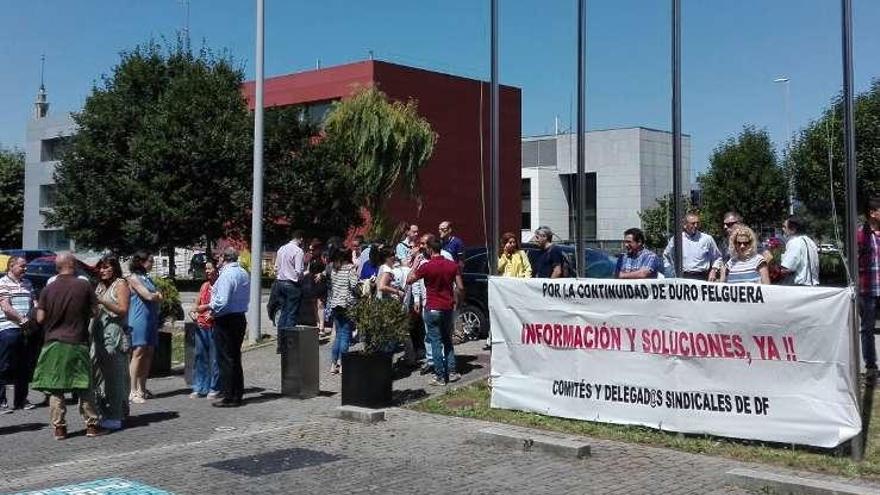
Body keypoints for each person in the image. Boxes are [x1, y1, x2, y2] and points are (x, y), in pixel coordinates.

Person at [31, 253, 104, 440]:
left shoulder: (48, 289)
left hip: (53, 343)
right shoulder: (84, 285)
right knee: (84, 385)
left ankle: (59, 429)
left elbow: (40, 318)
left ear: (58, 267)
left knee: (56, 388)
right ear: (72, 264)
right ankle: (92, 426)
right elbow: (96, 312)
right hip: (77, 342)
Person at [407, 237, 464, 386]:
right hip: (447, 308)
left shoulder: (427, 266)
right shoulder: (452, 266)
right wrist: (457, 301)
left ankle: (439, 376)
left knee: (435, 343)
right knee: (448, 341)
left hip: (432, 307)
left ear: (430, 250)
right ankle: (451, 373)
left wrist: (414, 264)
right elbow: (460, 287)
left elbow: (409, 280)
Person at [91, 255, 131, 431]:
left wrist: (103, 302)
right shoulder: (100, 286)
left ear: (114, 268)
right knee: (99, 378)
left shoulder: (120, 284)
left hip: (114, 335)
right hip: (99, 334)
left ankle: (116, 415)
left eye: (106, 267)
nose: (103, 271)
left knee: (114, 377)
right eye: (101, 268)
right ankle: (104, 411)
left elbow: (123, 310)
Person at [210, 247, 250, 408]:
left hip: (226, 319)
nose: (217, 261)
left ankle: (229, 395)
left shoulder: (227, 274)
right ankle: (236, 392)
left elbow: (222, 301)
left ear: (224, 258)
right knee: (234, 357)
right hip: (239, 317)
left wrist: (210, 308)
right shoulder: (243, 273)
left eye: (219, 258)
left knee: (225, 358)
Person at [0, 256, 39, 413]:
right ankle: (1, 401)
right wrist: (22, 319)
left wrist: (34, 317)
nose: (25, 269)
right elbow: (6, 307)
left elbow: (34, 303)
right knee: (4, 366)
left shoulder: (28, 283)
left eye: (26, 266)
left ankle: (21, 400)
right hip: (8, 328)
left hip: (26, 329)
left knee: (23, 367)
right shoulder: (3, 283)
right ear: (11, 266)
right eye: (22, 266)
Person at [126, 250, 162, 404]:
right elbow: (148, 295)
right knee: (138, 352)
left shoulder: (147, 278)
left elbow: (156, 295)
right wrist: (156, 296)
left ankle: (142, 387)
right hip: (139, 318)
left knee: (149, 351)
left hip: (151, 318)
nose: (152, 264)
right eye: (150, 261)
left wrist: (156, 296)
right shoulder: (133, 278)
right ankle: (132, 390)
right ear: (141, 262)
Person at [189, 260, 220, 398]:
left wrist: (211, 313)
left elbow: (222, 304)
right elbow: (196, 305)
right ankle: (199, 387)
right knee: (200, 356)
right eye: (205, 269)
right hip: (201, 326)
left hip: (214, 326)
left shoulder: (220, 285)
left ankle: (214, 387)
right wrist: (193, 313)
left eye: (209, 268)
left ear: (216, 269)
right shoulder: (204, 286)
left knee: (214, 358)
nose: (207, 271)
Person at [327, 249, 359, 374]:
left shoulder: (334, 268)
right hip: (347, 304)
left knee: (338, 335)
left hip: (335, 304)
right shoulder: (350, 269)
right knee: (346, 335)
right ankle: (342, 364)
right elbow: (354, 285)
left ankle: (333, 364)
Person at [663, 213, 722, 281]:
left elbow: (717, 257)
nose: (696, 226)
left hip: (702, 277)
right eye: (693, 223)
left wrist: (713, 271)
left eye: (697, 223)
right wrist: (670, 272)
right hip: (683, 277)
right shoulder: (676, 239)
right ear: (685, 225)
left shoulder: (707, 239)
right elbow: (666, 256)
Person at [858, 197, 880, 374]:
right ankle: (871, 366)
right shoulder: (860, 234)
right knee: (867, 329)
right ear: (872, 213)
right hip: (867, 289)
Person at [272, 230, 305, 335]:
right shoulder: (298, 251)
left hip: (280, 283)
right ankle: (289, 342)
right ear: (301, 239)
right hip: (292, 284)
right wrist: (305, 274)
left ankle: (281, 341)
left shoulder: (281, 249)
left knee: (283, 312)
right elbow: (298, 271)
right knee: (291, 314)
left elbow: (276, 267)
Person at [779, 216, 820, 286]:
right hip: (813, 285)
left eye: (784, 227)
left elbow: (786, 269)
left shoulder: (795, 242)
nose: (782, 229)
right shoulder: (810, 241)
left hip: (800, 287)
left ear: (793, 229)